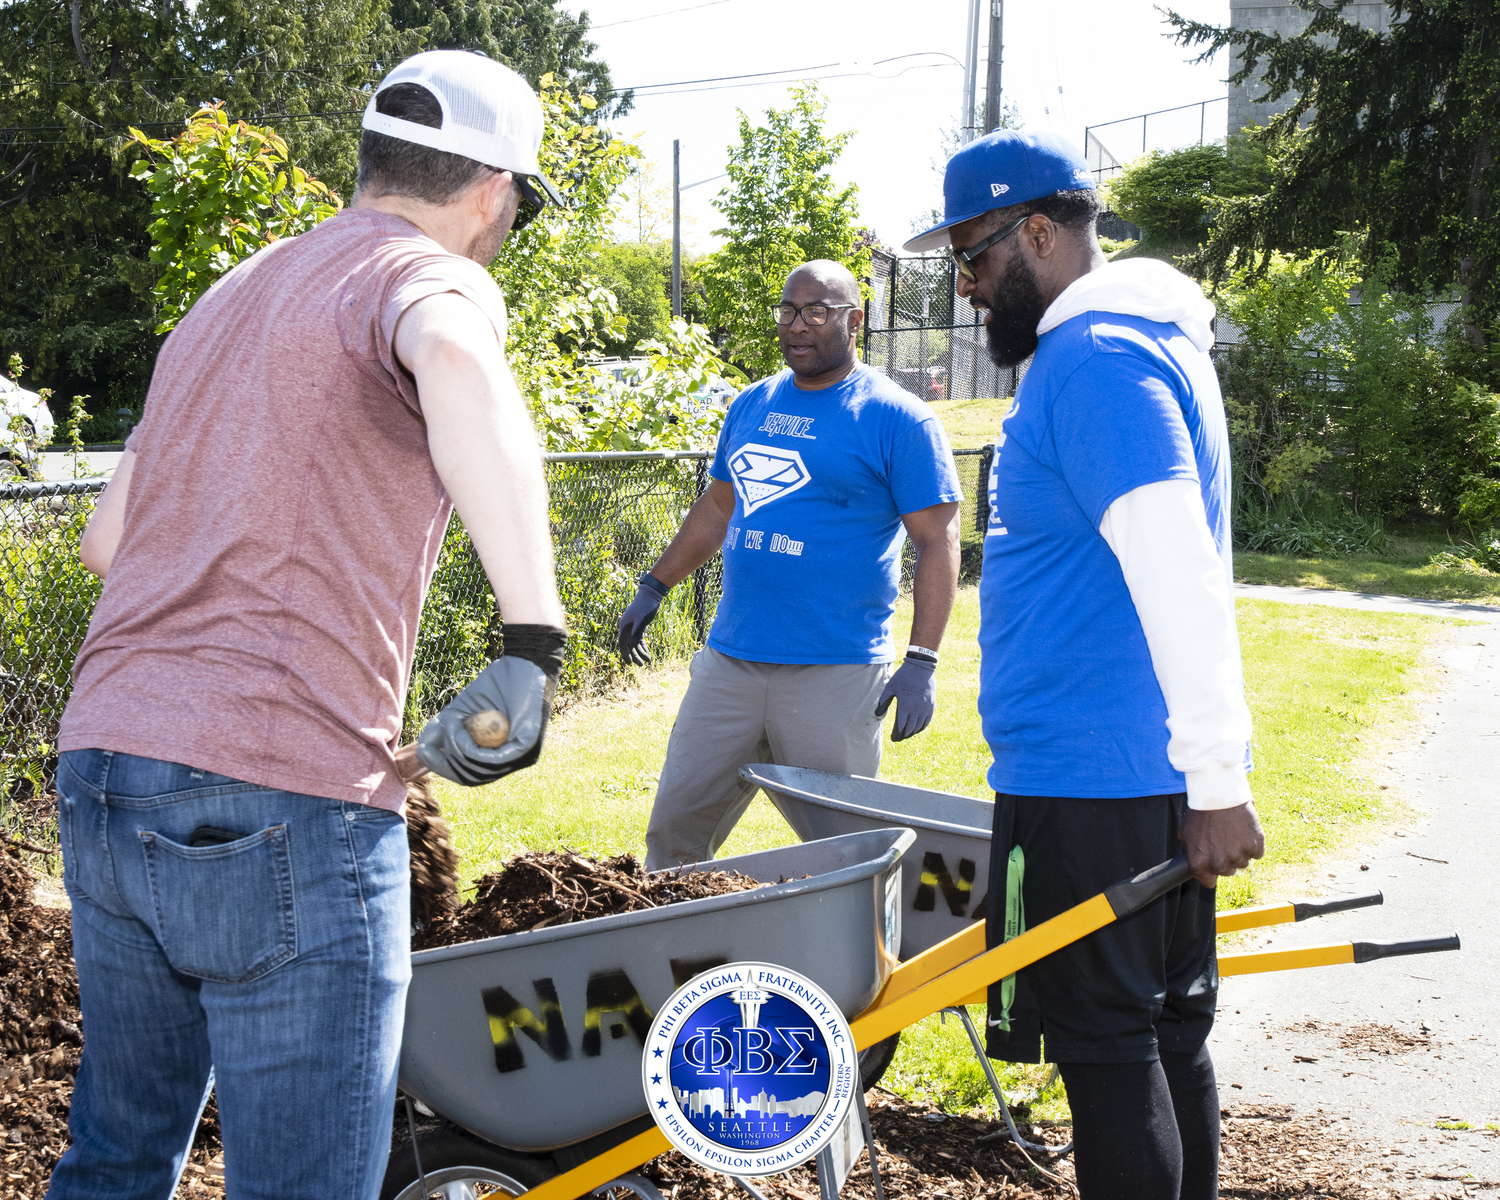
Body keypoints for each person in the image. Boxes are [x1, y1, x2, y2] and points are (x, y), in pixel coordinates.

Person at [49, 51, 568, 1200]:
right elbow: (450, 350)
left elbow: (105, 541)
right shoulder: (424, 276)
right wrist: (534, 641)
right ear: (492, 192)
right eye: (517, 212)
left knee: (118, 1158)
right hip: (280, 791)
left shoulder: (231, 294)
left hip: (103, 767)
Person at [904, 130, 1265, 1200]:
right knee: (1161, 1036)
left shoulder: (1096, 363)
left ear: (1042, 233)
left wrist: (1218, 783)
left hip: (1099, 780)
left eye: (972, 259)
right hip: (1125, 770)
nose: (967, 289)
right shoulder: (1129, 350)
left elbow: (1177, 572)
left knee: (1112, 1053)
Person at [617, 260, 963, 871]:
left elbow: (936, 540)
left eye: (817, 311)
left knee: (846, 856)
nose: (798, 325)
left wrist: (923, 661)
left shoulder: (898, 417)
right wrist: (654, 585)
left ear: (855, 320)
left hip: (836, 669)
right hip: (731, 662)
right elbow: (719, 505)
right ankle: (671, 961)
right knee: (673, 838)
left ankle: (861, 965)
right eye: (788, 310)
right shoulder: (752, 404)